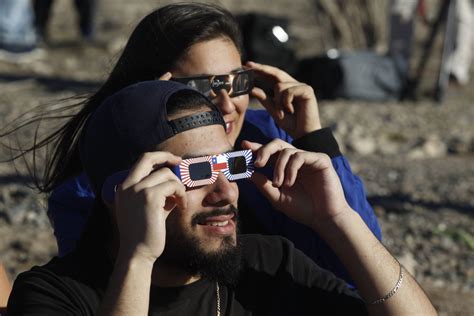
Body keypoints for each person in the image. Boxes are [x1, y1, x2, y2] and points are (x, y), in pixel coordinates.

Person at [6, 3, 380, 284]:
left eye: (238, 82)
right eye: (204, 86)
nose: (227, 103)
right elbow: (97, 293)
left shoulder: (268, 143)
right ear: (156, 85)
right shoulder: (94, 188)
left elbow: (358, 270)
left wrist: (314, 141)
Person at [6, 80, 437, 315]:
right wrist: (137, 260)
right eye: (195, 172)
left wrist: (338, 218)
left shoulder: (268, 266)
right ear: (121, 191)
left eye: (231, 166)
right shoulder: (54, 295)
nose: (225, 191)